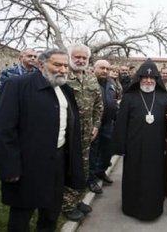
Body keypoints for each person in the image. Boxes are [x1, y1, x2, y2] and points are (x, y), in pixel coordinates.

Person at [0, 48, 84, 231]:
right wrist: (10, 168)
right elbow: (4, 130)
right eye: (57, 65)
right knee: (21, 216)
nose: (63, 70)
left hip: (58, 161)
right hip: (28, 164)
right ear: (41, 64)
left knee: (51, 213)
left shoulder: (65, 89)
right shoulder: (16, 85)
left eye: (66, 66)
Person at [112, 59, 167, 220]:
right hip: (134, 146)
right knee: (134, 176)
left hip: (156, 146)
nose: (148, 81)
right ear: (139, 78)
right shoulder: (130, 96)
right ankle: (131, 207)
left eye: (152, 78)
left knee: (153, 178)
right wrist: (121, 146)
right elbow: (121, 123)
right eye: (145, 78)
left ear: (156, 79)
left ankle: (153, 208)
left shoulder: (163, 97)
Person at [62, 44, 103, 221]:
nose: (80, 60)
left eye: (84, 58)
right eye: (77, 57)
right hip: (68, 133)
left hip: (87, 132)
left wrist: (96, 126)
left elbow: (98, 105)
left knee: (84, 166)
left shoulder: (91, 78)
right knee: (69, 167)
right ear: (70, 57)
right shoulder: (63, 77)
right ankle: (67, 205)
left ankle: (78, 199)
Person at [88, 60, 119, 193]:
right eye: (102, 68)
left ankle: (101, 171)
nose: (105, 71)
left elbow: (114, 101)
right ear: (94, 68)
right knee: (92, 153)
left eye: (107, 68)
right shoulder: (89, 83)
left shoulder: (111, 83)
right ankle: (91, 179)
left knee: (107, 151)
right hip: (93, 125)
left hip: (108, 123)